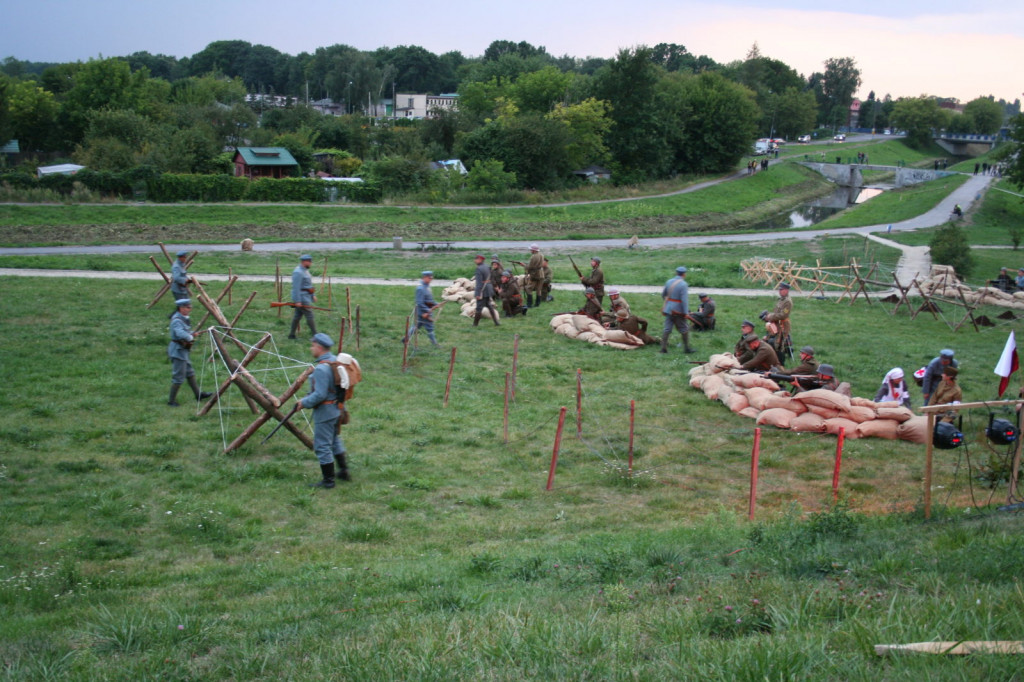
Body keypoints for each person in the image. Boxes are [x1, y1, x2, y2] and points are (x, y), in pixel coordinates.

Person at [297, 333, 350, 488]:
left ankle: (328, 481)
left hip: (326, 411)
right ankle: (344, 471)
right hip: (338, 408)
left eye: (313, 345)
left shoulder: (321, 369)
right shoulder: (335, 361)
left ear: (319, 347)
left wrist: (304, 402)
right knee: (334, 440)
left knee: (322, 445)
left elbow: (320, 394)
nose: (311, 348)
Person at [167, 298, 213, 407]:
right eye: (188, 307)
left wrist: (193, 333)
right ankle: (171, 401)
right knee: (178, 377)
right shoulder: (177, 320)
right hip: (178, 351)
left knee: (190, 373)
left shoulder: (182, 318)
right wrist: (190, 336)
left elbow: (186, 332)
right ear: (181, 308)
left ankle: (198, 395)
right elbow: (180, 334)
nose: (190, 309)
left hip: (183, 350)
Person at [661, 265, 695, 354]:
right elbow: (684, 300)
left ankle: (663, 348)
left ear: (676, 273)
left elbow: (663, 295)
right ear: (684, 274)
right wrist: (685, 312)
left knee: (667, 329)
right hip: (678, 310)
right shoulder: (683, 284)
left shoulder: (669, 282)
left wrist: (668, 304)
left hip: (668, 309)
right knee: (684, 329)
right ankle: (687, 348)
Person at [407, 271, 440, 346]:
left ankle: (405, 339)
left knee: (416, 326)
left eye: (431, 278)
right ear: (424, 277)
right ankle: (435, 344)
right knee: (429, 327)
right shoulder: (420, 288)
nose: (431, 280)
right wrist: (428, 310)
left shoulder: (427, 286)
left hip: (426, 312)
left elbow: (428, 300)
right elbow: (420, 303)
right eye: (429, 278)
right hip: (423, 313)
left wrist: (435, 304)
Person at [288, 255, 317, 339]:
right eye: (309, 261)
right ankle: (315, 335)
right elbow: (296, 287)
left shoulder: (305, 271)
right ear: (304, 262)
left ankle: (291, 335)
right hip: (302, 298)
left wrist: (313, 295)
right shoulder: (298, 272)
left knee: (297, 316)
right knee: (310, 315)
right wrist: (297, 301)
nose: (311, 263)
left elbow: (308, 285)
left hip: (306, 296)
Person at [472, 254, 500, 327]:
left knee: (479, 308)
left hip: (483, 290)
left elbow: (479, 283)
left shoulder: (479, 269)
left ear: (480, 260)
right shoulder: (487, 267)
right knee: (489, 306)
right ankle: (496, 322)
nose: (475, 260)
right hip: (488, 288)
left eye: (476, 259)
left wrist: (478, 294)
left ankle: (475, 324)